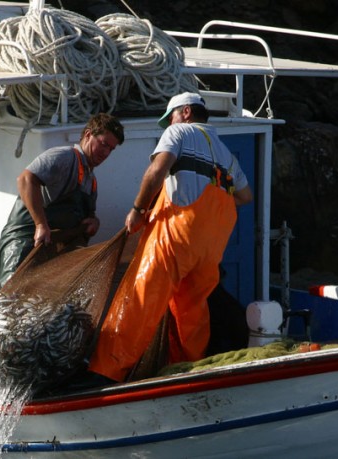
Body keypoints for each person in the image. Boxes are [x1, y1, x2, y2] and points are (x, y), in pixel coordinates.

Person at [88, 92, 253, 383]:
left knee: (141, 297)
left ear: (186, 112)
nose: (168, 124)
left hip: (177, 234)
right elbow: (245, 196)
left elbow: (157, 170)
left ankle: (106, 372)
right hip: (210, 247)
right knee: (192, 311)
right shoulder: (226, 154)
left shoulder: (179, 132)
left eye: (171, 117)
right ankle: (187, 370)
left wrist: (138, 209)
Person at [0, 113, 125, 287]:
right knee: (12, 297)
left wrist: (93, 222)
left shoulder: (91, 181)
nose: (106, 152)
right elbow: (25, 180)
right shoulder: (64, 157)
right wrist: (40, 225)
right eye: (103, 144)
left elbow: (88, 215)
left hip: (49, 249)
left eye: (111, 149)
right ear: (88, 135)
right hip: (22, 244)